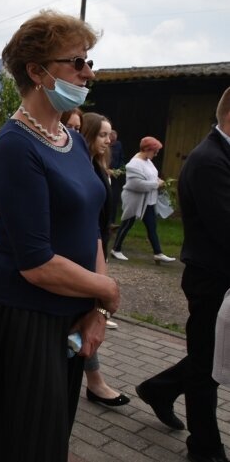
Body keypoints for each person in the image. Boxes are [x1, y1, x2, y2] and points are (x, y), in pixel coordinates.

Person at [0, 10, 120, 462]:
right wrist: (105, 288)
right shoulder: (14, 145)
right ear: (37, 71)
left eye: (90, 62)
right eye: (77, 63)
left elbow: (91, 232)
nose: (88, 73)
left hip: (71, 312)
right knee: (22, 442)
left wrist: (96, 308)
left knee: (49, 438)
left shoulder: (67, 138)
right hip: (28, 319)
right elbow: (36, 262)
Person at [136, 88, 230, 462]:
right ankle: (204, 447)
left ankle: (159, 389)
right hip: (212, 277)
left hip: (219, 274)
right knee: (207, 363)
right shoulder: (210, 160)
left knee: (208, 356)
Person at [79, 112, 130, 406]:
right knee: (85, 311)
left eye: (109, 135)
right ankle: (94, 382)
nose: (108, 140)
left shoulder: (100, 166)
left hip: (96, 248)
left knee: (88, 312)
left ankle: (93, 380)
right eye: (101, 135)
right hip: (84, 250)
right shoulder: (83, 167)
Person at [110, 136, 175, 264]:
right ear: (147, 149)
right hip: (134, 200)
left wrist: (158, 182)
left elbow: (151, 177)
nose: (156, 154)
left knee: (152, 226)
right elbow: (137, 184)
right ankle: (116, 249)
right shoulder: (133, 165)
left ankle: (158, 253)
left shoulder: (147, 161)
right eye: (155, 151)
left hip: (148, 201)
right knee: (127, 224)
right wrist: (157, 184)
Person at [108, 129, 124, 226]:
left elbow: (121, 158)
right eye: (112, 141)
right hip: (106, 174)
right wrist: (106, 170)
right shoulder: (104, 145)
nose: (113, 142)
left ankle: (112, 222)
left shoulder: (118, 145)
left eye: (114, 141)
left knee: (114, 198)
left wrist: (121, 170)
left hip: (115, 176)